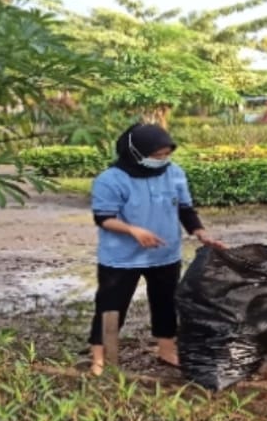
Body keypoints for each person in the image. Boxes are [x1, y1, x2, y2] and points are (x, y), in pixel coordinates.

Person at [88, 123, 224, 374]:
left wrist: (200, 232)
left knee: (166, 304)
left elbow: (184, 209)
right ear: (136, 152)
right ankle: (100, 357)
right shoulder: (110, 180)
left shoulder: (174, 173)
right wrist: (133, 230)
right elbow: (103, 218)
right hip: (121, 257)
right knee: (111, 305)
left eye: (166, 154)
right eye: (156, 155)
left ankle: (166, 349)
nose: (162, 160)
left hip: (165, 253)